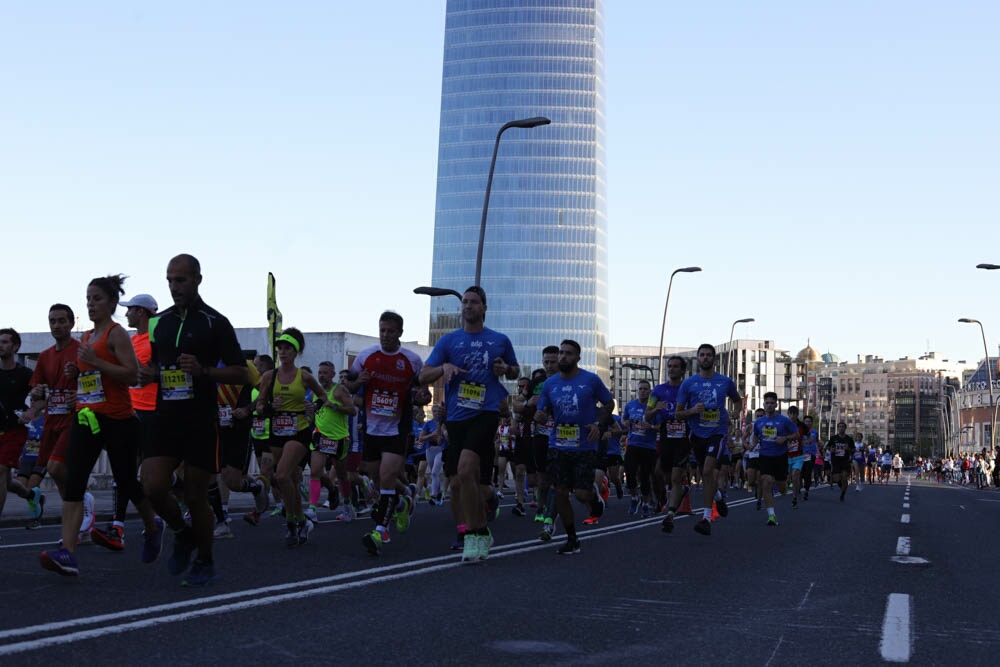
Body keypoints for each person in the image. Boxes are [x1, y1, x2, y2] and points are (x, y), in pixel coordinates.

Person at [39, 276, 160, 576]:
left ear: (112, 303)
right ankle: (67, 553)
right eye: (88, 299)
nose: (91, 304)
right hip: (87, 416)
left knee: (128, 482)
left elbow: (131, 375)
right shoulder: (88, 337)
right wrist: (75, 371)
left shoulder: (117, 335)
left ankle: (152, 524)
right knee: (75, 481)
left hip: (119, 419)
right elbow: (91, 375)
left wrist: (96, 362)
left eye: (97, 299)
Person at [139, 254, 248, 587]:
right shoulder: (160, 322)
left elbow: (242, 373)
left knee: (196, 495)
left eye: (181, 280)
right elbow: (157, 364)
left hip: (200, 419)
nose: (175, 287)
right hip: (166, 415)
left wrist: (204, 371)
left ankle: (205, 558)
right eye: (170, 280)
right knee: (153, 486)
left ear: (198, 280)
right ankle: (182, 533)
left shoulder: (216, 322)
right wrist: (150, 374)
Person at [419, 286, 519, 562]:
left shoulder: (499, 340)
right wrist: (443, 369)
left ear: (484, 308)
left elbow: (515, 369)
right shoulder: (449, 341)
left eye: (474, 302)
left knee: (465, 472)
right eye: (465, 301)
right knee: (462, 481)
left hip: (485, 412)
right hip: (457, 417)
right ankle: (479, 530)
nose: (468, 306)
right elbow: (423, 375)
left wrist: (505, 369)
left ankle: (476, 533)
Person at [349, 311, 424, 556]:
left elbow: (424, 392)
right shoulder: (365, 356)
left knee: (387, 475)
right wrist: (358, 381)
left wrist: (423, 397)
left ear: (400, 332)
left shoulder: (411, 360)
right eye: (382, 330)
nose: (385, 335)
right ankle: (403, 502)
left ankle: (380, 531)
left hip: (397, 428)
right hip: (371, 428)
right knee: (376, 476)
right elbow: (347, 385)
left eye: (391, 331)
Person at [256, 328, 338, 547]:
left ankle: (294, 522)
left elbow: (322, 395)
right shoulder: (268, 376)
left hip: (299, 430)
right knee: (290, 479)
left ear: (296, 352)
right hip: (277, 431)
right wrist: (270, 407)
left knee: (281, 475)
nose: (283, 352)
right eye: (280, 348)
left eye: (288, 349)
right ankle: (301, 520)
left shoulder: (304, 376)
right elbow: (260, 406)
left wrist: (315, 406)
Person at [533, 339, 614, 555]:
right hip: (557, 444)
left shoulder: (591, 380)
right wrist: (539, 416)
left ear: (578, 358)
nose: (562, 357)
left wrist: (598, 424)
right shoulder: (550, 384)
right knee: (560, 492)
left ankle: (594, 497)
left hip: (584, 445)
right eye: (561, 353)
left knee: (580, 494)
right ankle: (571, 539)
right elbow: (542, 412)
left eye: (568, 353)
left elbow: (609, 403)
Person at [91, 293, 158, 550]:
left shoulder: (156, 339)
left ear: (141, 312)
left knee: (158, 479)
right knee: (125, 471)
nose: (126, 313)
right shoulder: (130, 340)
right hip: (131, 413)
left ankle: (209, 513)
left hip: (156, 413)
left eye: (130, 309)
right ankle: (117, 528)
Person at [674, 344, 742, 536]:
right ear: (698, 358)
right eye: (702, 355)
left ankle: (705, 518)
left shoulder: (725, 382)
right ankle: (718, 496)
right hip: (696, 434)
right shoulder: (689, 384)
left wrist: (736, 411)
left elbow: (737, 400)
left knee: (707, 470)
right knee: (707, 475)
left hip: (717, 433)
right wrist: (692, 411)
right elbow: (678, 414)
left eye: (708, 355)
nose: (705, 358)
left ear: (714, 359)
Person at [0, 328, 40, 524]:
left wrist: (31, 413)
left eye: (5, 342)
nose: (1, 345)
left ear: (15, 347)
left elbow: (40, 398)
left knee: (0, 470)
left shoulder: (25, 374)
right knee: (6, 482)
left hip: (15, 430)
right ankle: (31, 495)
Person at [308, 360, 356, 519]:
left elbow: (352, 410)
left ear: (333, 375)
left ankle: (348, 505)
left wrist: (334, 406)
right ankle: (312, 509)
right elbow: (314, 411)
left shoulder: (339, 390)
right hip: (320, 435)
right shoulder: (316, 391)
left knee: (342, 475)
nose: (322, 376)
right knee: (315, 472)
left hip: (339, 438)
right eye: (320, 372)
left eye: (325, 373)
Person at [751, 392, 799, 526]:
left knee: (781, 487)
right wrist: (752, 445)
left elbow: (796, 434)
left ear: (776, 405)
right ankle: (771, 515)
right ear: (763, 404)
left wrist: (785, 438)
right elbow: (755, 436)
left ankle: (784, 487)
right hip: (765, 455)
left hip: (780, 457)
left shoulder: (784, 421)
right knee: (766, 481)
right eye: (767, 403)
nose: (770, 405)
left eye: (772, 403)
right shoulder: (759, 422)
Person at [622, 379, 657, 518]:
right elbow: (623, 420)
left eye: (645, 389)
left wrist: (652, 427)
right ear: (637, 390)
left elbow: (662, 425)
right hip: (633, 444)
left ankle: (646, 504)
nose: (642, 391)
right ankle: (635, 497)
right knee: (629, 473)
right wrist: (627, 422)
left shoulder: (653, 408)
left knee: (645, 477)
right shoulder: (630, 405)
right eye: (640, 388)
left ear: (649, 391)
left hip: (648, 446)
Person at [827, 422, 855, 501]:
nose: (841, 428)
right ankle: (842, 488)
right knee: (837, 478)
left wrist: (848, 449)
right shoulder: (833, 438)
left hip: (845, 460)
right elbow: (827, 448)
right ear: (838, 428)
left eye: (843, 427)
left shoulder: (849, 439)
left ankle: (842, 494)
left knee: (844, 477)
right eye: (839, 427)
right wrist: (830, 449)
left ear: (845, 428)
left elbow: (853, 450)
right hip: (835, 460)